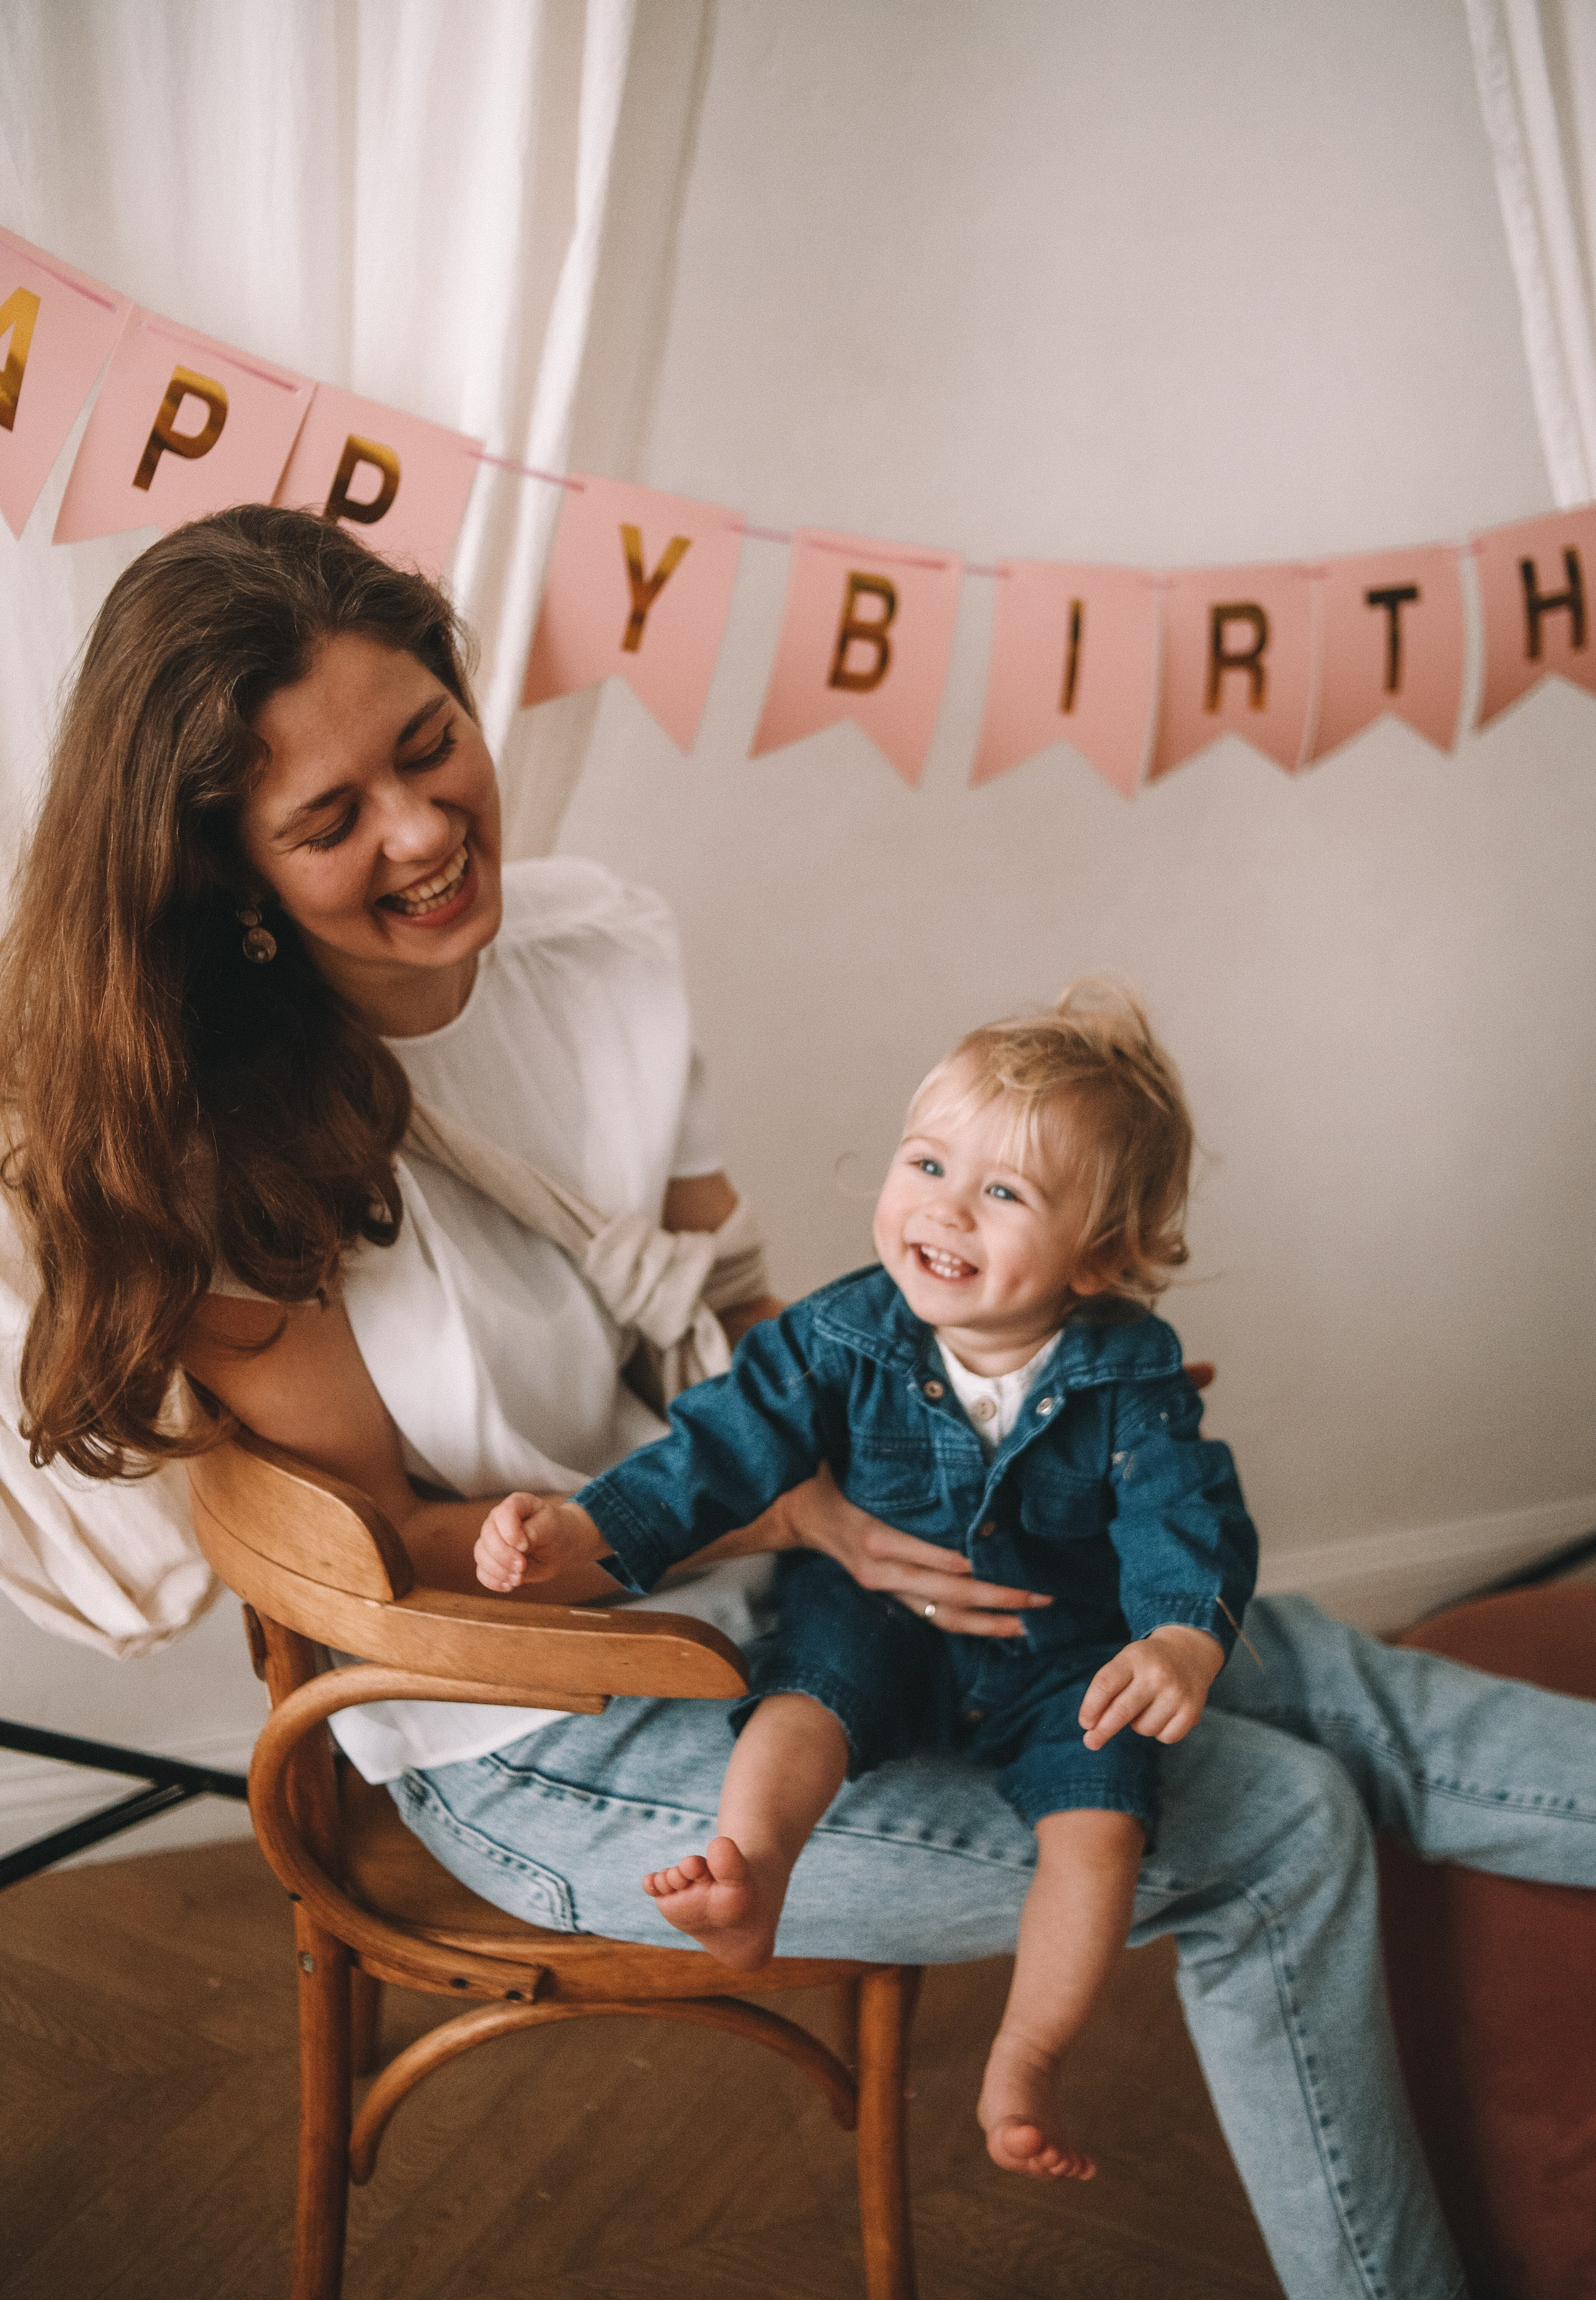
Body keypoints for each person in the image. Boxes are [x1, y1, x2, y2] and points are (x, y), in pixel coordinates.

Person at [1, 501, 1590, 2300]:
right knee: (1273, 1827)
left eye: (430, 743)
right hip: (550, 1732)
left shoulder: (595, 955)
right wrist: (786, 1508)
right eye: (334, 817)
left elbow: (745, 1324)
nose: (430, 830)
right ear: (227, 874)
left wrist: (1001, 1390)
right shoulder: (219, 1160)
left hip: (802, 1594)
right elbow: (398, 1566)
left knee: (1299, 1667)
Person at [473, 988, 1258, 2182]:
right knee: (802, 1703)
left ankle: (1029, 2056)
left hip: (1061, 1649)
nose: (945, 1208)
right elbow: (713, 1452)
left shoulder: (1129, 1372)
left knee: (1102, 1829)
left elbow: (1182, 1514)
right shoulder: (838, 1336)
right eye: (928, 1163)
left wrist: (1180, 1639)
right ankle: (754, 1878)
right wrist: (580, 1528)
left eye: (1003, 1193)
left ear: (1099, 1258)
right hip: (874, 1612)